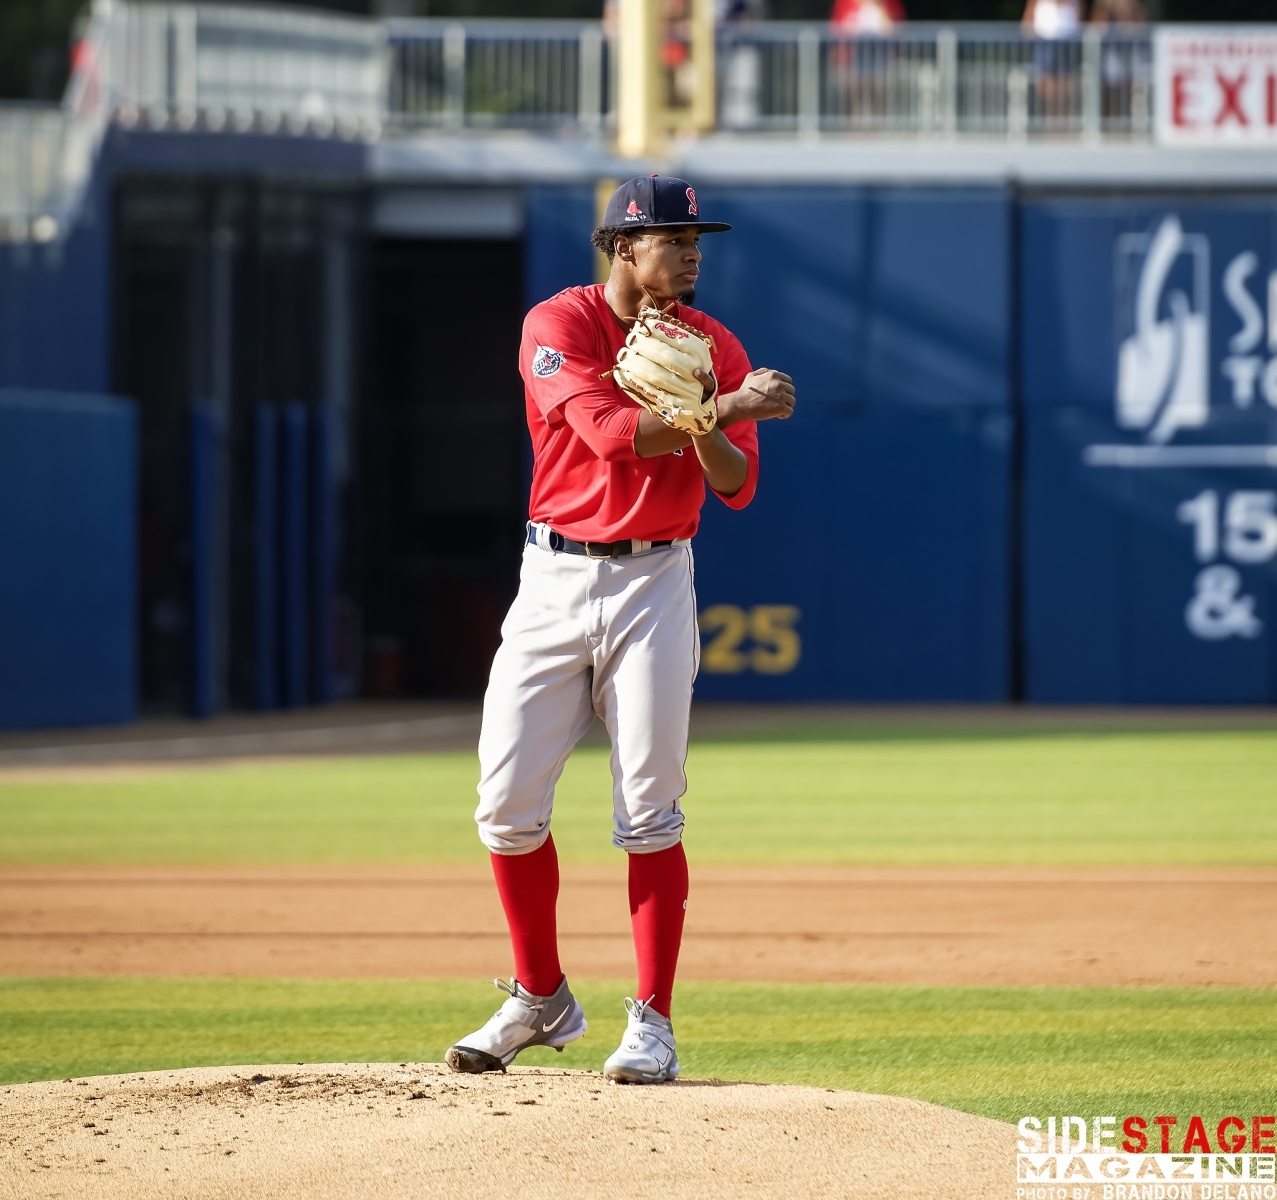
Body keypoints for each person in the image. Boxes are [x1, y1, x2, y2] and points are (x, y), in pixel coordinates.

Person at [444, 176, 796, 1085]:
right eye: (671, 238)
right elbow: (605, 434)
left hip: (653, 579)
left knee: (648, 811)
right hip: (553, 576)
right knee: (505, 808)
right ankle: (539, 996)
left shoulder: (714, 343)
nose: (690, 253)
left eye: (696, 240)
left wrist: (720, 423)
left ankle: (653, 1020)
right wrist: (727, 408)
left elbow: (733, 484)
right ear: (622, 247)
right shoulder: (556, 326)